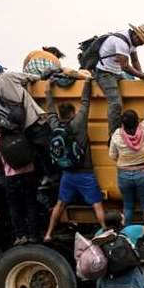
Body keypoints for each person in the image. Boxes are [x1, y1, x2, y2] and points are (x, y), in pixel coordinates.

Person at [43, 78, 107, 242]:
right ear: (72, 113)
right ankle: (105, 230)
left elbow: (50, 109)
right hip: (85, 172)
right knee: (96, 203)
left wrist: (48, 90)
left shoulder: (54, 124)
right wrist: (87, 82)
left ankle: (48, 233)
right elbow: (86, 102)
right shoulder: (78, 123)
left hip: (67, 173)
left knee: (60, 204)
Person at [109, 79, 144, 248]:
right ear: (137, 121)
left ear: (123, 124)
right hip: (143, 174)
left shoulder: (117, 135)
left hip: (124, 174)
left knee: (128, 207)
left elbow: (112, 156)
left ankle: (125, 238)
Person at [0, 62, 54, 182]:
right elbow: (34, 77)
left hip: (14, 130)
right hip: (32, 121)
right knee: (47, 150)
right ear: (0, 70)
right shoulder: (8, 76)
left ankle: (42, 180)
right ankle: (53, 178)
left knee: (33, 155)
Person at [94, 24, 144, 137]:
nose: (141, 44)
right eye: (141, 40)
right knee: (116, 104)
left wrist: (142, 77)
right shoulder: (121, 42)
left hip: (116, 72)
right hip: (104, 73)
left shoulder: (131, 42)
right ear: (135, 34)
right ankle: (113, 136)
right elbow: (125, 66)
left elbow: (135, 61)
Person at [0, 129, 38, 245]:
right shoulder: (21, 131)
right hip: (29, 172)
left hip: (11, 175)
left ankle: (21, 235)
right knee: (31, 204)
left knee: (14, 206)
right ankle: (34, 234)